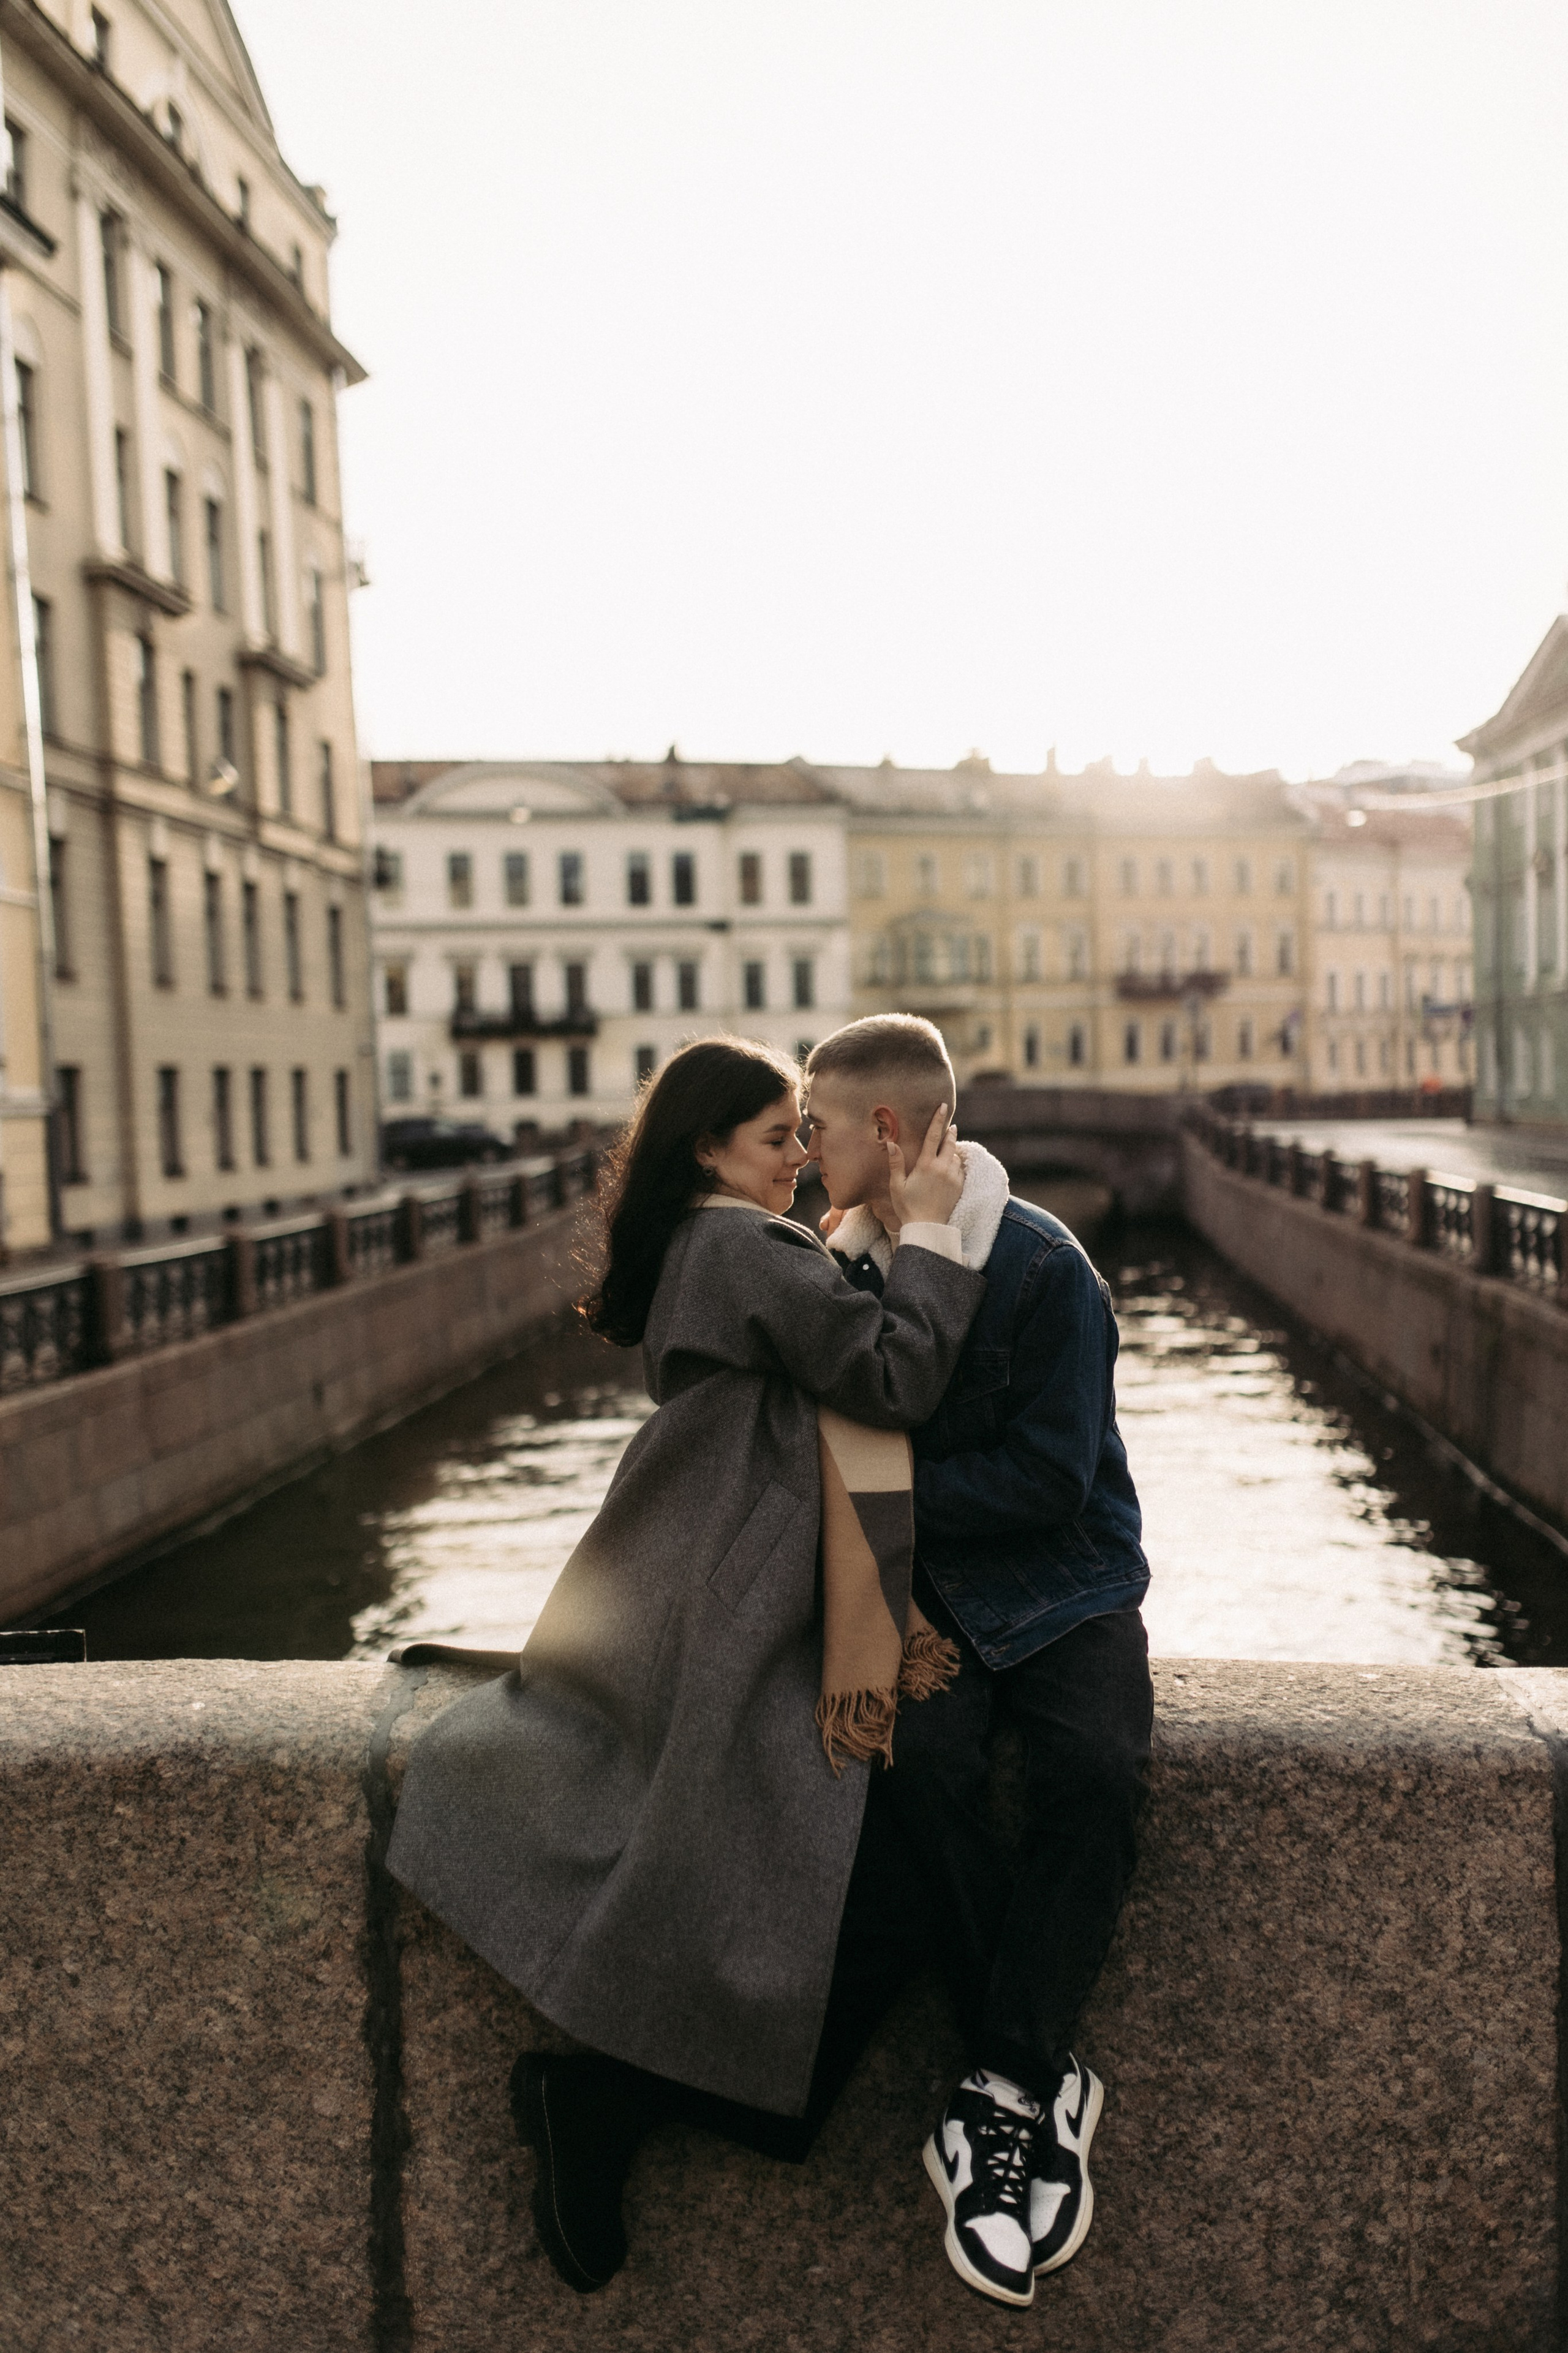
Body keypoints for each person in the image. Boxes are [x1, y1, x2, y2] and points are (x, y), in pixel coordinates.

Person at [385, 1036, 984, 2292]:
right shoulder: (744, 1246)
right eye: (778, 1139)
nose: (800, 1158)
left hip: (705, 1585)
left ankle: (605, 2099)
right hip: (749, 1605)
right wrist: (924, 1231)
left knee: (833, 1878)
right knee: (886, 1882)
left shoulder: (706, 1247)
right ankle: (607, 2100)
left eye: (804, 1135)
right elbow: (895, 1372)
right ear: (708, 1147)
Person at [801, 1013, 1153, 2311]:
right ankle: (1033, 2086)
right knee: (921, 1765)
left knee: (1096, 1770)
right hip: (929, 1593)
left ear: (884, 1133)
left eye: (816, 1127)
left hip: (1067, 1581)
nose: (800, 1147)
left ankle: (996, 2084)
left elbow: (1051, 1478)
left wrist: (876, 1497)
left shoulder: (1045, 1262)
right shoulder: (832, 1271)